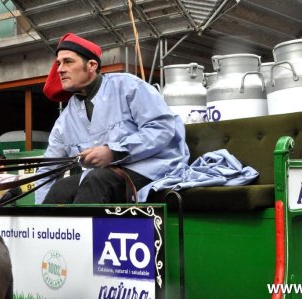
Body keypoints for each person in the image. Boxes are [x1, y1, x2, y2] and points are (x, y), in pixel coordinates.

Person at [35, 33, 190, 204]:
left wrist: (113, 152)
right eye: (58, 63)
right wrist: (37, 212)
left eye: (68, 62)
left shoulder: (128, 86)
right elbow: (49, 169)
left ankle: (89, 231)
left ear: (92, 65)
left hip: (153, 166)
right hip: (103, 174)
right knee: (61, 188)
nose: (60, 69)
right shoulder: (64, 120)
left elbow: (162, 128)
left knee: (98, 181)